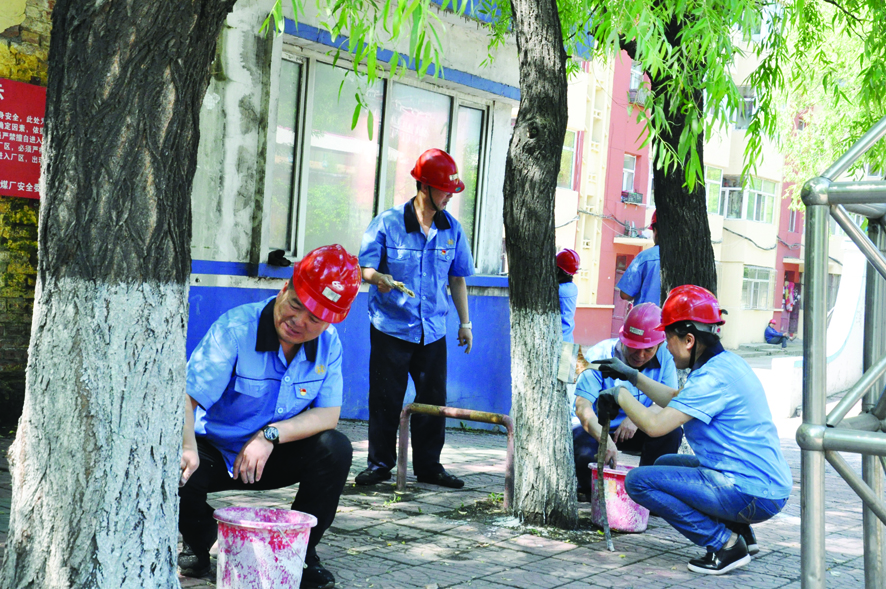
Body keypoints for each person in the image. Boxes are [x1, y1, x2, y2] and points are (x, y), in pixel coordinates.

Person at [178, 244, 361, 589]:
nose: (299, 322)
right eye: (296, 305)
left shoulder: (329, 344)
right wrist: (187, 447)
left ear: (331, 321)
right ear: (284, 288)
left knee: (335, 447)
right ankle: (203, 539)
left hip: (268, 456)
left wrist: (269, 435)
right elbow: (185, 398)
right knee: (176, 466)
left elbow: (328, 414)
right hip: (213, 450)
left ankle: (300, 553)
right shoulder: (235, 329)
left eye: (315, 318)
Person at [596, 285, 792, 575]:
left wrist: (619, 394)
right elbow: (679, 400)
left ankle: (725, 545)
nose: (666, 347)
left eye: (668, 339)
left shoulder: (711, 378)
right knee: (665, 463)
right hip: (763, 485)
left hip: (751, 493)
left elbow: (654, 426)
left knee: (638, 482)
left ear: (688, 340)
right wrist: (632, 376)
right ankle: (742, 533)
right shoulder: (725, 364)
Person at [356, 148, 474, 489]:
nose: (450, 196)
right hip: (391, 328)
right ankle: (380, 465)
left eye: (452, 190)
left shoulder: (452, 229)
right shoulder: (388, 223)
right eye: (445, 189)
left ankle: (429, 466)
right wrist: (379, 278)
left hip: (433, 330)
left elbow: (457, 279)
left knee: (432, 401)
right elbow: (365, 268)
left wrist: (465, 324)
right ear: (424, 186)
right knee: (385, 399)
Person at [571, 303, 681, 502]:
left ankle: (649, 491)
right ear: (623, 339)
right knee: (584, 452)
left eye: (648, 350)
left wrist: (637, 418)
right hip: (596, 427)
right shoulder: (599, 354)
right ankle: (590, 492)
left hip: (635, 427)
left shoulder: (665, 356)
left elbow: (668, 402)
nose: (640, 355)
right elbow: (582, 408)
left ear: (659, 345)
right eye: (634, 348)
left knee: (671, 431)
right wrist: (604, 439)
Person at [617, 211, 661, 306]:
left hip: (647, 314)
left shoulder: (645, 257)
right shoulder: (688, 260)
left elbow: (625, 294)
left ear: (656, 230)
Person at [557, 248, 580, 342]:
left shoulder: (559, 290)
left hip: (559, 341)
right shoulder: (573, 288)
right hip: (568, 339)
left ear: (558, 271)